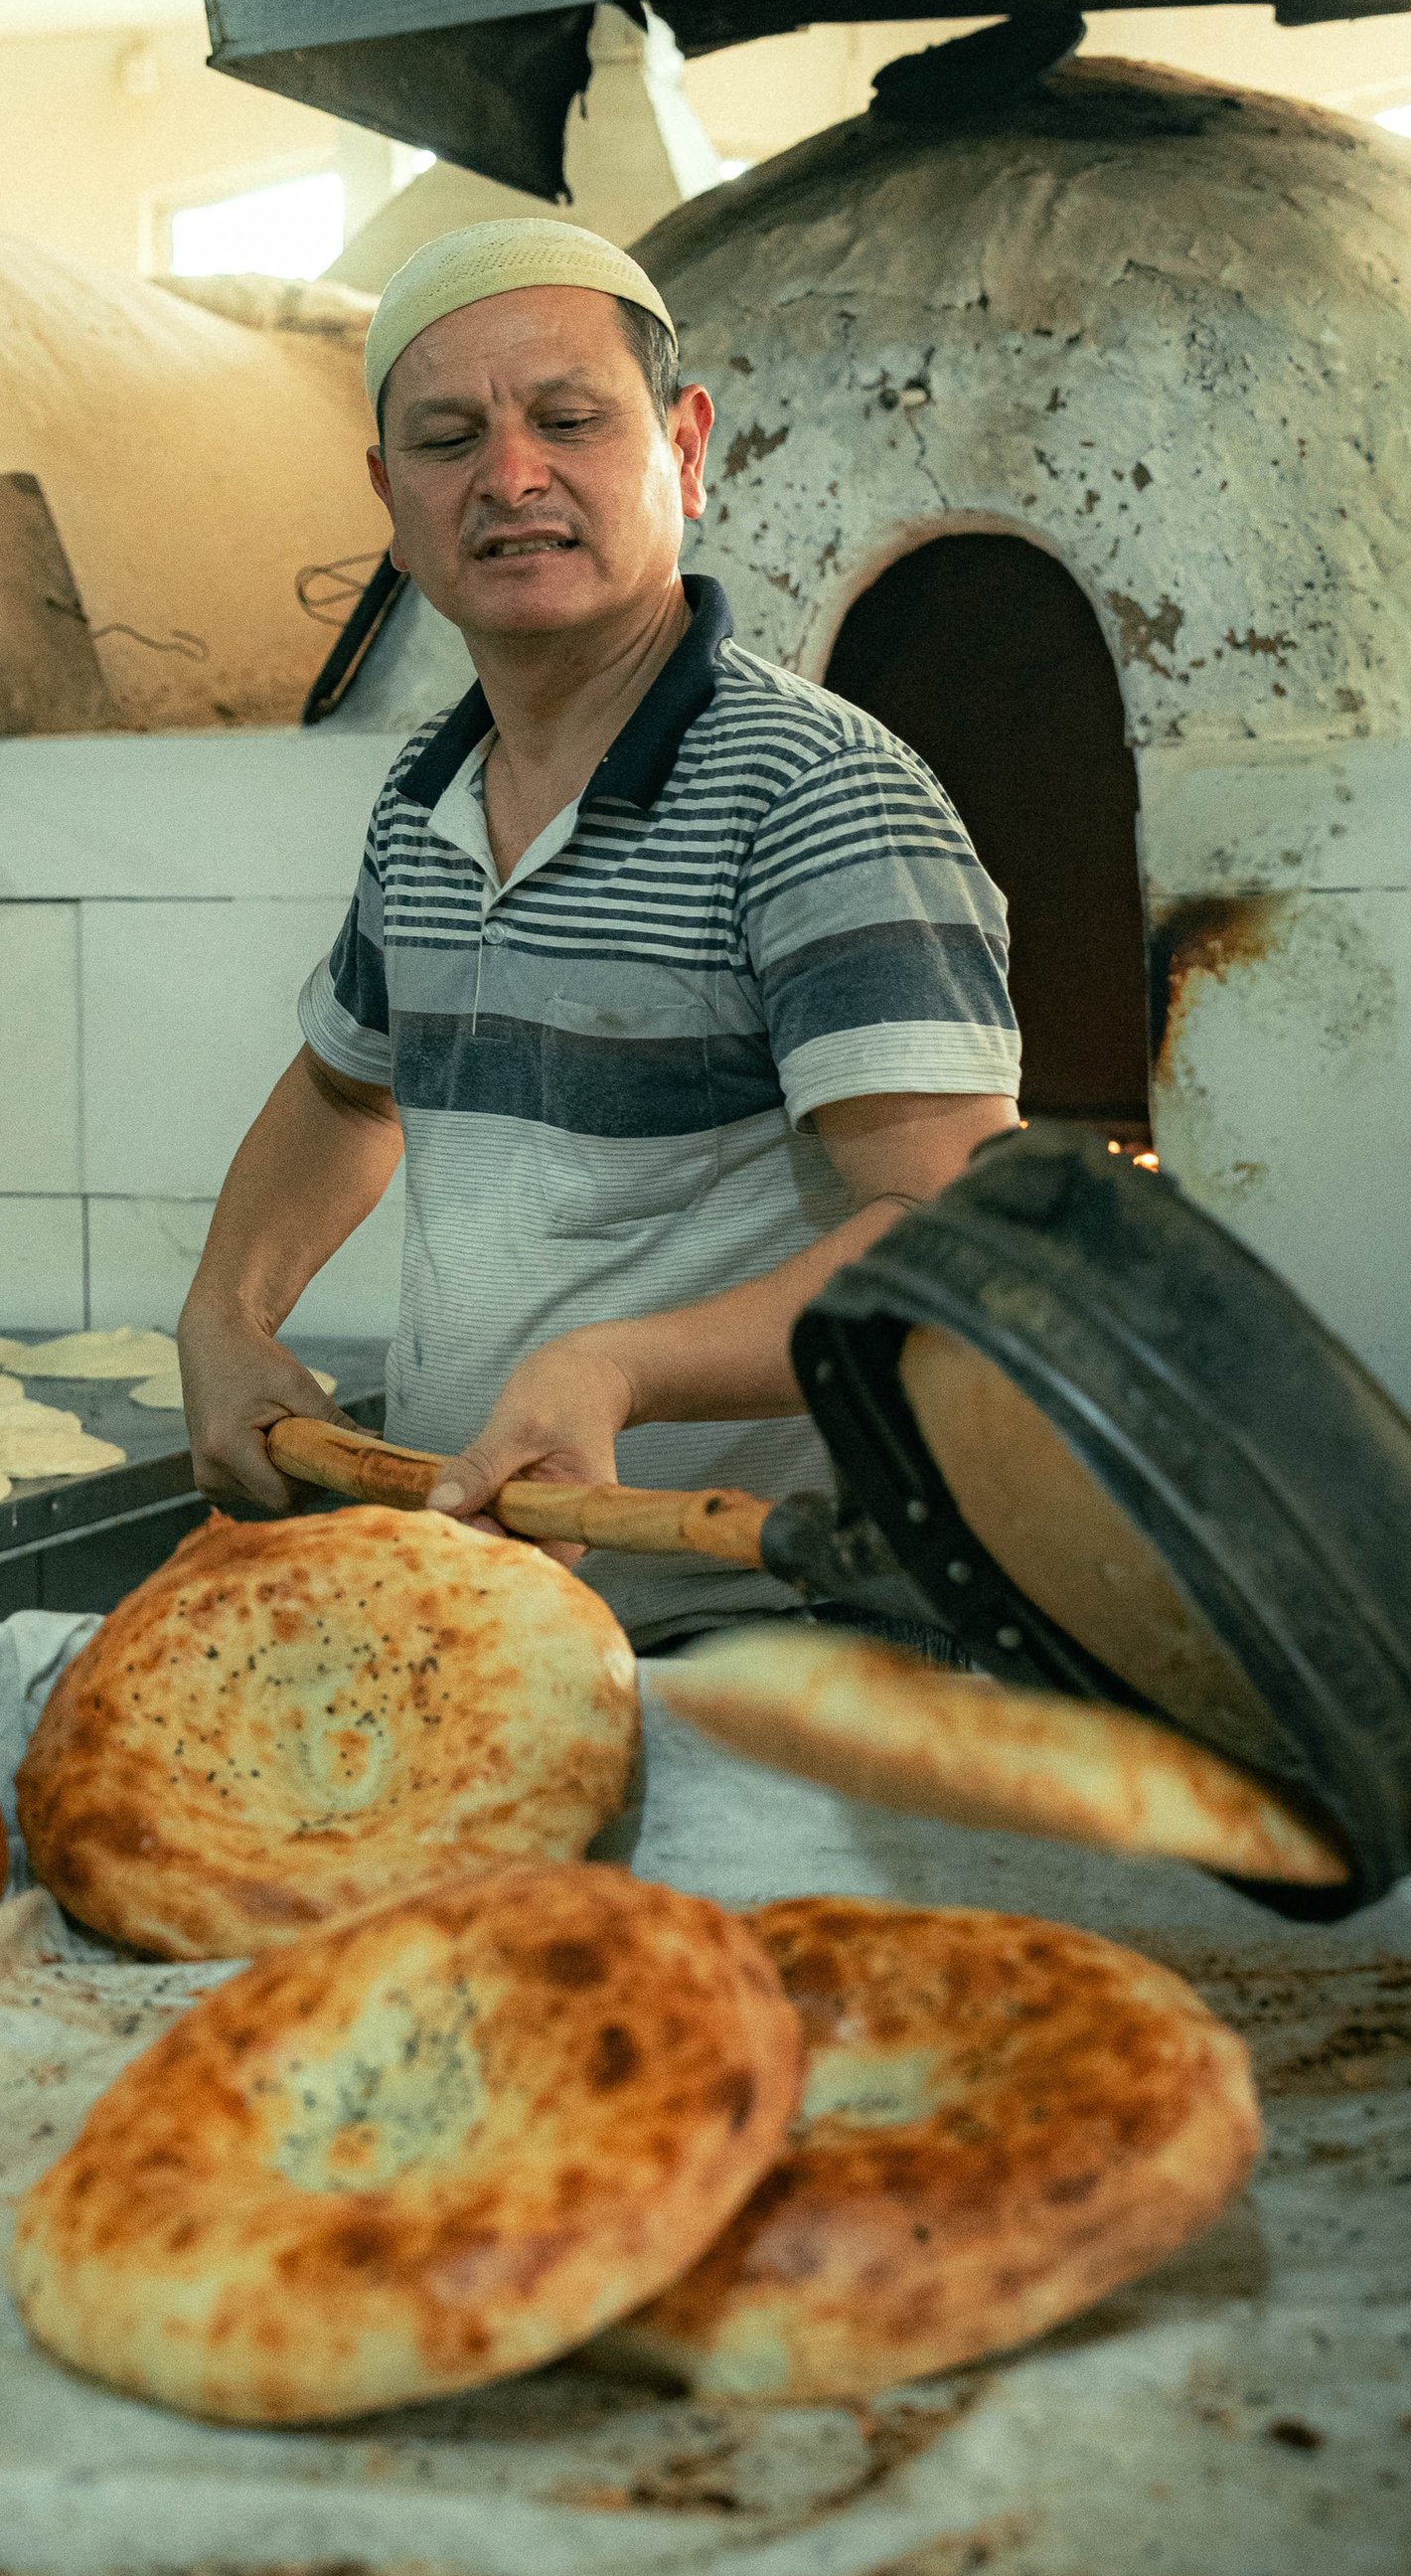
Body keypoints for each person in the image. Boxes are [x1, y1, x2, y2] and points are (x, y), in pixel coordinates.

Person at [177, 213, 1020, 1623]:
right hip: (509, 1611)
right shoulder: (423, 795)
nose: (512, 476)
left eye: (568, 419)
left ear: (685, 449)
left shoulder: (819, 797)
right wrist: (225, 1310)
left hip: (768, 1632)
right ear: (389, 494)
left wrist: (617, 1368)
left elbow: (951, 1235)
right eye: (449, 440)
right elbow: (344, 1094)